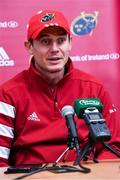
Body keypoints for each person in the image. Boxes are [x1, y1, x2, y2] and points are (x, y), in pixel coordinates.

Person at [0, 9, 120, 167]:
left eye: (61, 40)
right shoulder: (8, 94)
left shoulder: (94, 89)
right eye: (45, 41)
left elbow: (111, 148)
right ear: (29, 47)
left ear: (70, 43)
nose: (55, 49)